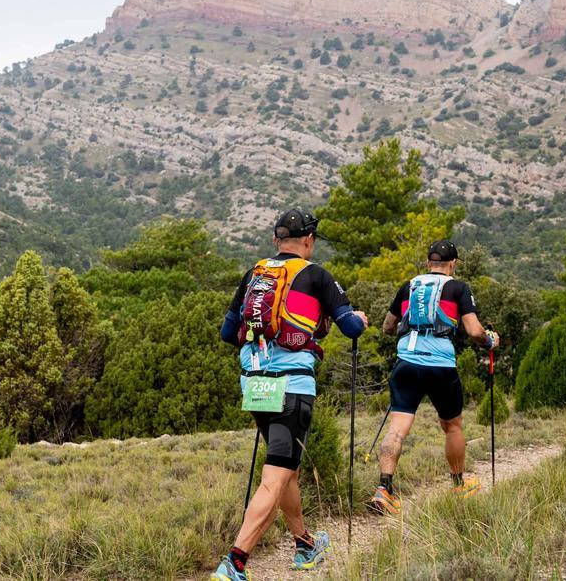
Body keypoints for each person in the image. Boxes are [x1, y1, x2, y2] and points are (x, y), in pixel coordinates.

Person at [211, 208, 368, 581]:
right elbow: (348, 328)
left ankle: (304, 544)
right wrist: (358, 319)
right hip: (292, 388)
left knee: (287, 471)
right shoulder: (316, 275)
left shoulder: (255, 274)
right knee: (275, 476)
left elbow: (225, 332)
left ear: (275, 240)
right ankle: (235, 561)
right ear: (309, 241)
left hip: (256, 385)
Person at [369, 240, 499, 516]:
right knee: (452, 426)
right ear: (452, 264)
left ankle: (384, 489)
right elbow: (474, 330)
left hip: (406, 363)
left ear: (429, 262)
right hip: (440, 365)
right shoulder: (458, 288)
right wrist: (490, 342)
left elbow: (387, 326)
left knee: (397, 428)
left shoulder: (409, 286)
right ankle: (458, 484)